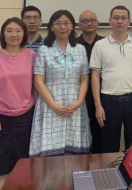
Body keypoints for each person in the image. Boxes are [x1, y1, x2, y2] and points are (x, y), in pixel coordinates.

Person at [0, 18, 35, 190]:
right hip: (0, 117)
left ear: (24, 34)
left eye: (18, 31)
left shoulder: (32, 56)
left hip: (26, 116)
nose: (14, 35)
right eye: (9, 30)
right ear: (3, 34)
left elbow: (37, 86)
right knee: (1, 164)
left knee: (24, 163)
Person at [29, 10, 91, 157]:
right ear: (51, 27)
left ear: (72, 26)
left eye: (66, 23)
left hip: (74, 105)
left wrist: (78, 102)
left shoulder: (80, 49)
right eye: (58, 23)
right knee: (50, 154)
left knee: (73, 153)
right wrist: (54, 106)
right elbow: (38, 81)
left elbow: (84, 79)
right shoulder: (44, 50)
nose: (62, 27)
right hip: (50, 104)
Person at [90, 6, 132, 152]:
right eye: (116, 18)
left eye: (123, 18)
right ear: (110, 21)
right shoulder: (100, 45)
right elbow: (95, 76)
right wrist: (98, 106)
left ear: (129, 21)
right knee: (109, 146)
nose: (120, 21)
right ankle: (111, 168)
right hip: (109, 102)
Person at [76, 10, 104, 154]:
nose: (89, 23)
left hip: (102, 97)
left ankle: (99, 165)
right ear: (79, 24)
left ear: (98, 23)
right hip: (78, 97)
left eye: (92, 20)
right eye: (85, 21)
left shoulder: (106, 43)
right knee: (79, 135)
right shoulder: (72, 45)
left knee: (100, 136)